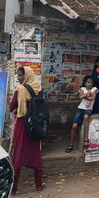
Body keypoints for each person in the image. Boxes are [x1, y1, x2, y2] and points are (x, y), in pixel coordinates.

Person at [9, 67, 43, 195]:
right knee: (35, 155)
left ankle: (14, 189)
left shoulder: (20, 90)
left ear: (26, 76)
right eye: (17, 75)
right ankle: (38, 185)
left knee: (18, 155)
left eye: (20, 75)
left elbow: (12, 107)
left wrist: (16, 108)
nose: (18, 78)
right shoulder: (38, 89)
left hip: (22, 126)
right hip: (35, 126)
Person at [65, 75, 98, 153]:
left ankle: (86, 139)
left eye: (91, 82)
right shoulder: (82, 89)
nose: (90, 84)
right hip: (80, 109)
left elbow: (93, 98)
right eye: (88, 82)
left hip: (88, 109)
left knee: (86, 117)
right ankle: (71, 144)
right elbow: (80, 97)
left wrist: (84, 96)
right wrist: (88, 94)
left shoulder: (94, 89)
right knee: (74, 126)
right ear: (85, 83)